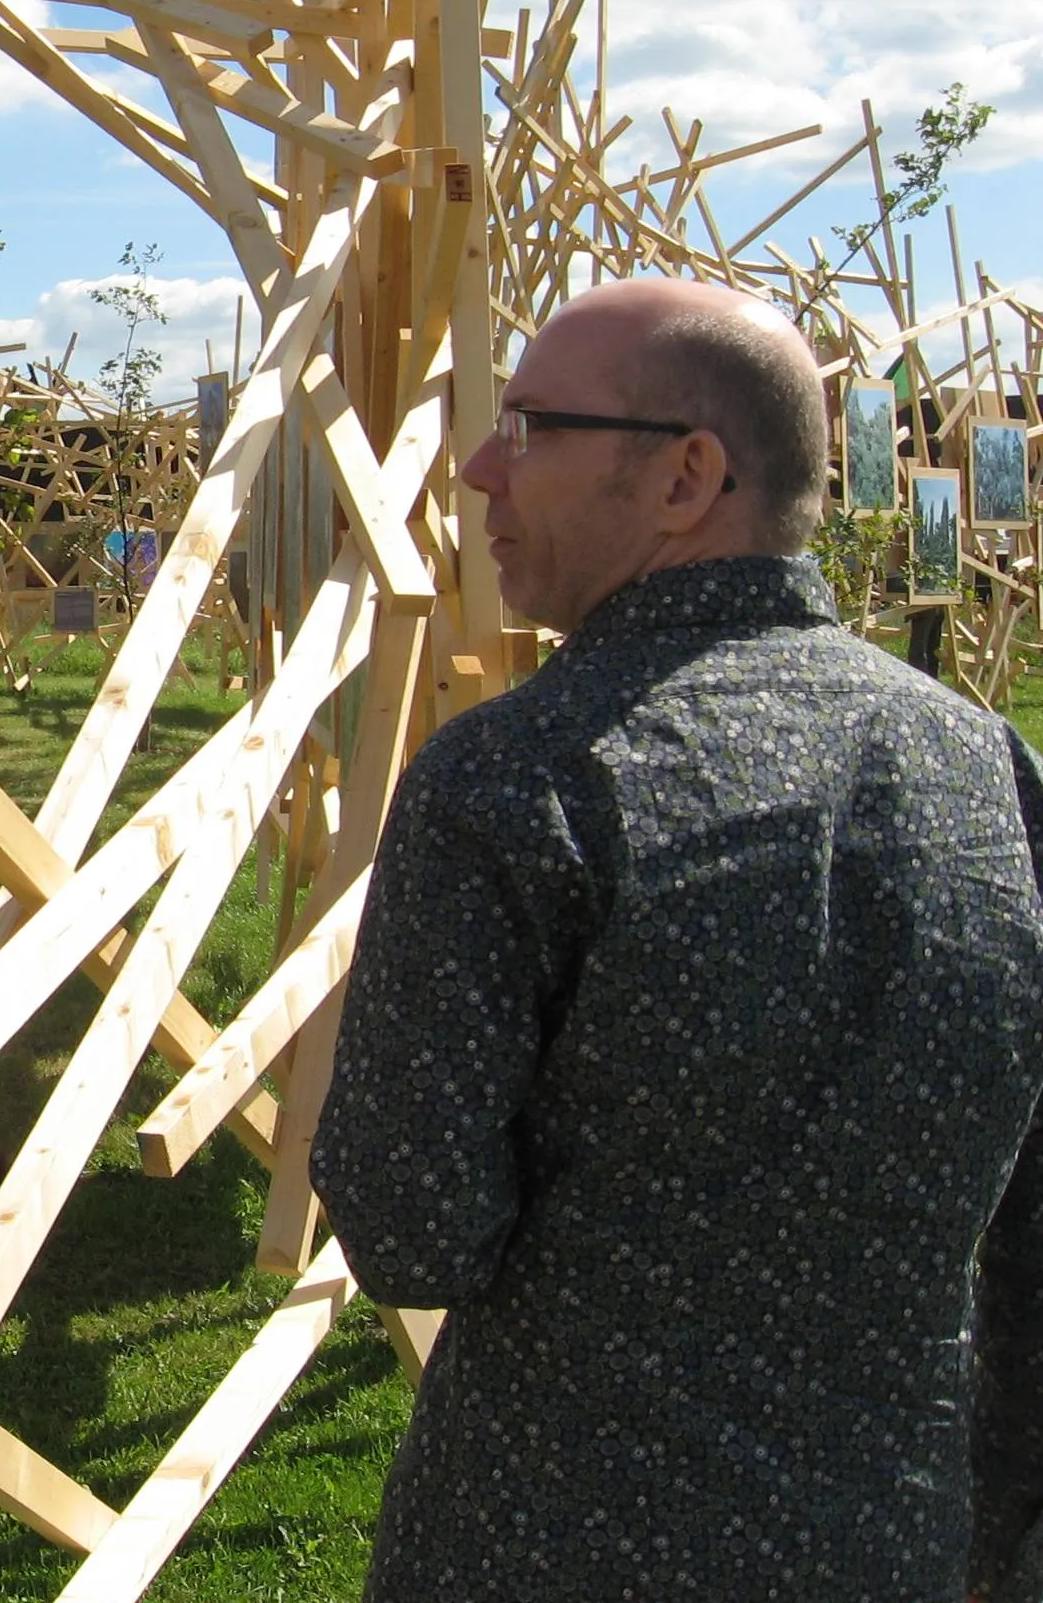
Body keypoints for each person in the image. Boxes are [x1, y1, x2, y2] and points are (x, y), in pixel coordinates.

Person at [310, 276, 1043, 1601]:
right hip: (894, 1543)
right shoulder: (989, 769)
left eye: (530, 426)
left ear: (686, 478)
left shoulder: (521, 777)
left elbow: (412, 1230)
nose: (481, 469)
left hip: (543, 1541)